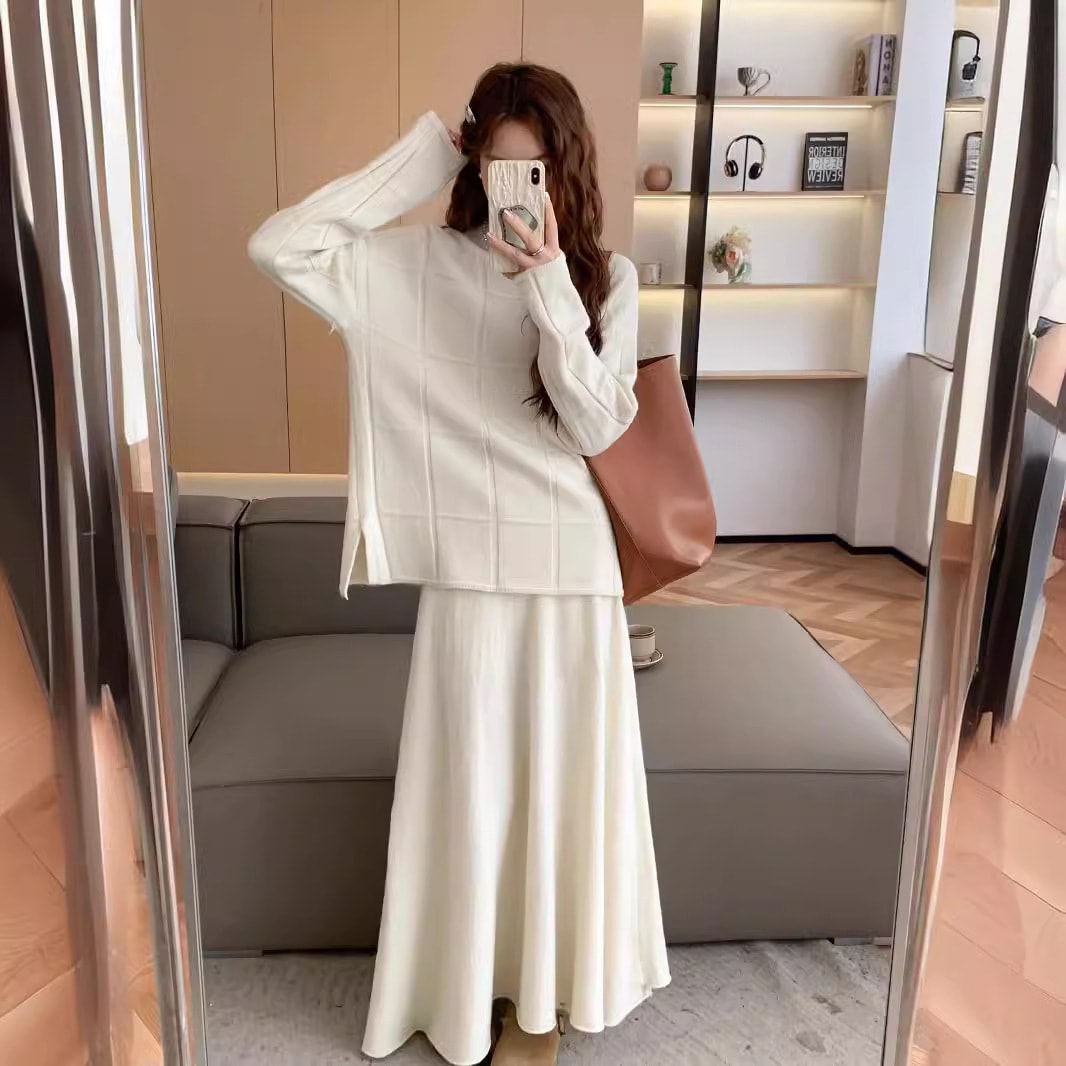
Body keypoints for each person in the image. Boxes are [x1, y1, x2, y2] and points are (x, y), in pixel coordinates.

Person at [248, 62, 669, 1066]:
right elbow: (279, 245)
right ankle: (465, 986)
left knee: (557, 794)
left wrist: (549, 287)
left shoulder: (606, 280)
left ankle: (541, 1007)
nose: (517, 188)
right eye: (497, 166)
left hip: (569, 573)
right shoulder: (415, 269)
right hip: (467, 574)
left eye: (537, 169)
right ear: (477, 168)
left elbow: (599, 425)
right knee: (468, 794)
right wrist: (422, 158)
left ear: (567, 170)